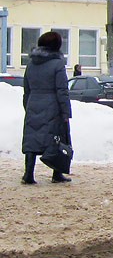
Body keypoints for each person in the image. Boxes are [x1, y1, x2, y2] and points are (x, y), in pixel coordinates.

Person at [21, 30, 72, 185]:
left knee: (31, 139)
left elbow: (26, 88)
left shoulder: (31, 64)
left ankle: (28, 174)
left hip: (33, 103)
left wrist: (28, 106)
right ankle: (57, 173)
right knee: (57, 138)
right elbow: (62, 90)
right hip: (52, 106)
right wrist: (65, 112)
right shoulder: (58, 64)